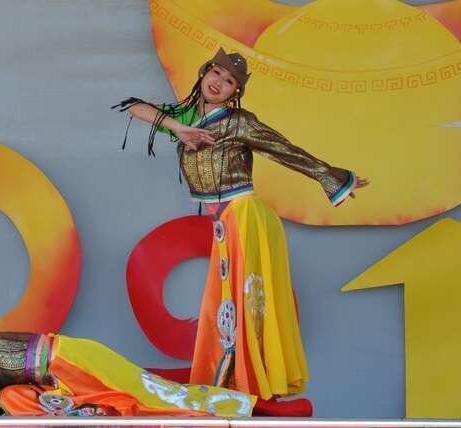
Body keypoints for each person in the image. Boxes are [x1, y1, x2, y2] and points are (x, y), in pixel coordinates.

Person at [113, 48, 368, 400]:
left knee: (244, 304)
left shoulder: (239, 121)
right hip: (224, 222)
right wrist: (180, 129)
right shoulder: (188, 115)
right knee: (226, 305)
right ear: (204, 73)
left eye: (229, 81)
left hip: (245, 217)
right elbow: (134, 107)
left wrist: (332, 178)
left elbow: (284, 149)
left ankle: (249, 383)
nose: (218, 83)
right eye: (215, 74)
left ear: (236, 91)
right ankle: (233, 381)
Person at [0, 331, 256, 417]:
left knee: (148, 394)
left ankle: (233, 407)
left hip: (69, 358)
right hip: (56, 384)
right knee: (11, 399)